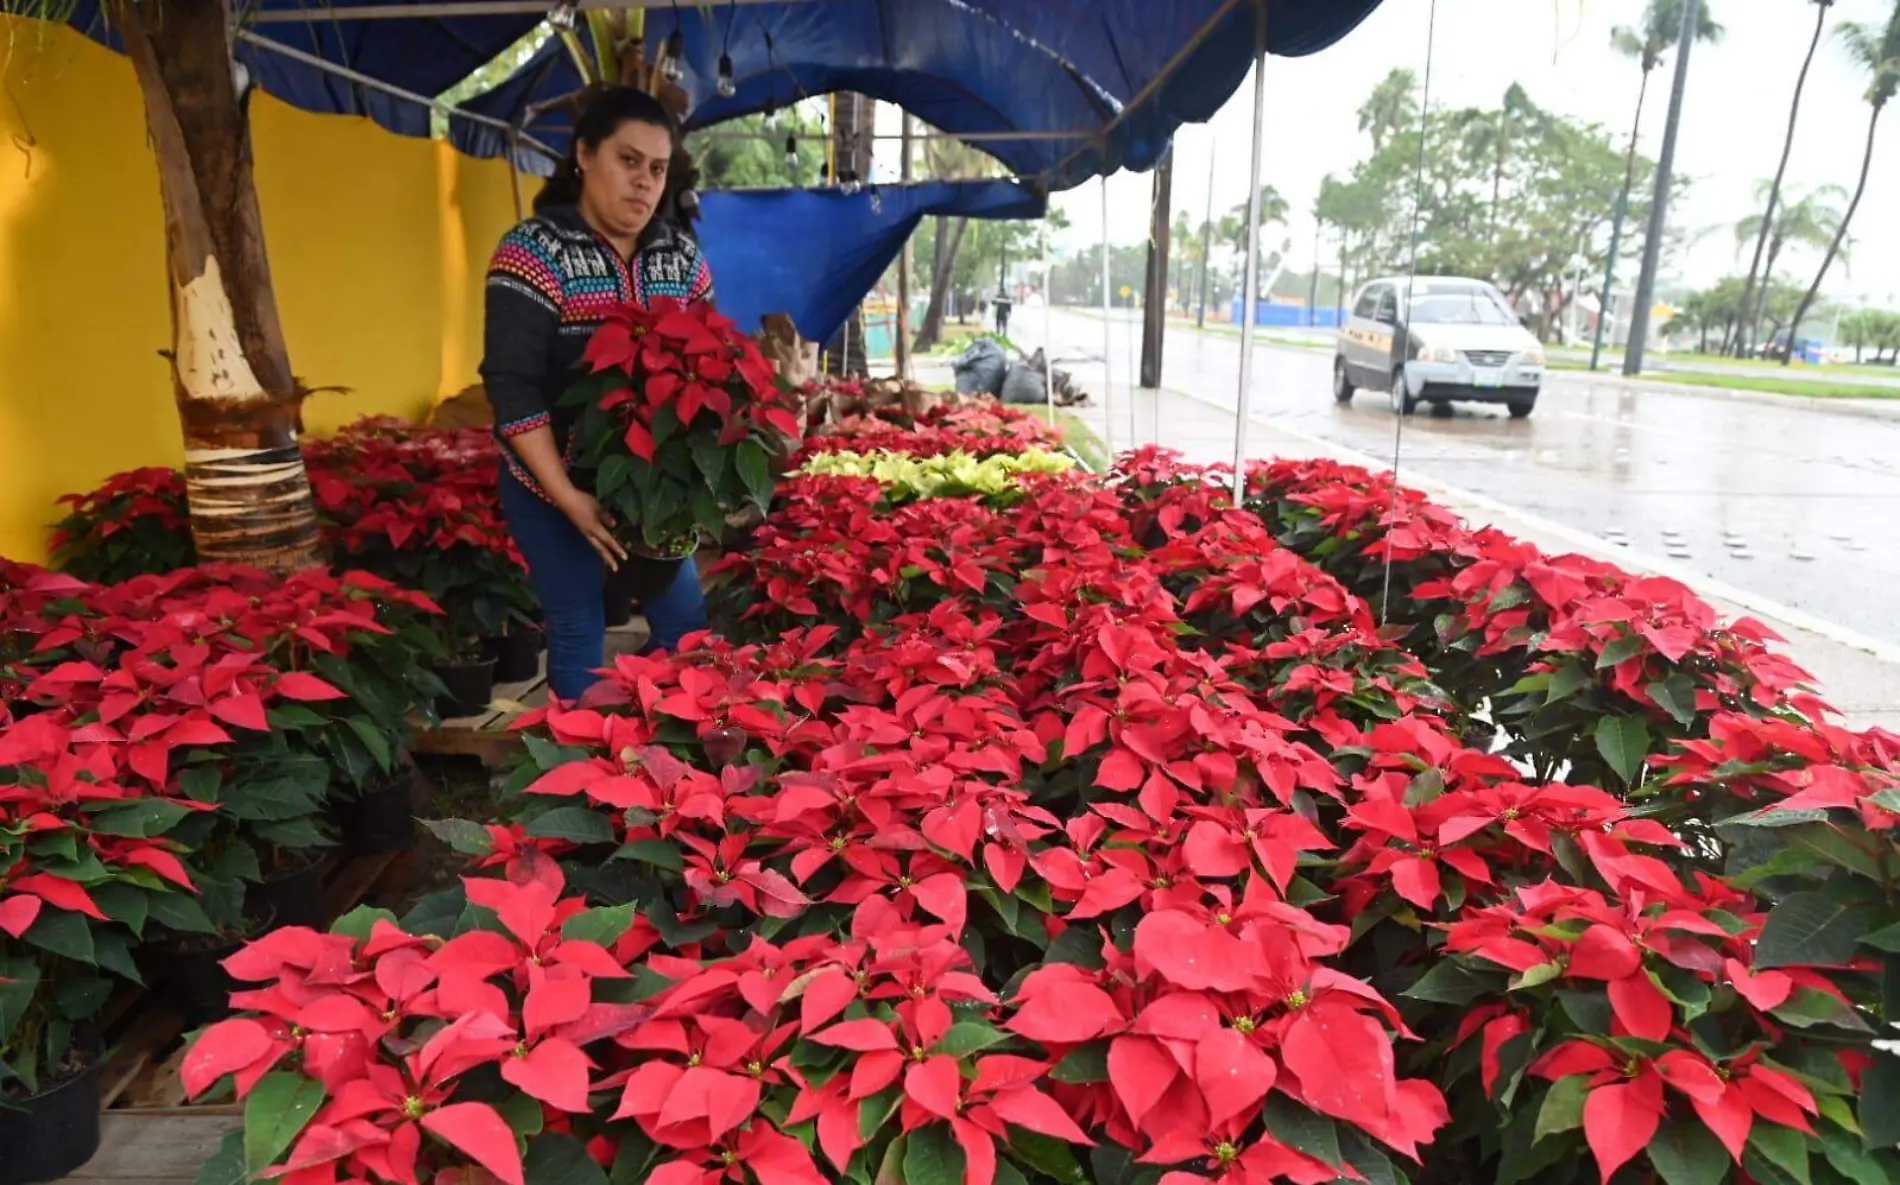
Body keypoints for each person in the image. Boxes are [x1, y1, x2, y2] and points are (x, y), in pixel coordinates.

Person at [480, 87, 714, 701]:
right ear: (584, 154)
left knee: (685, 627)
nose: (643, 183)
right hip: (548, 487)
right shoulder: (534, 253)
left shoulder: (681, 259)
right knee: (579, 627)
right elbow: (512, 385)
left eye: (657, 169)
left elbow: (710, 370)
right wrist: (570, 499)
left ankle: (653, 752)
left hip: (647, 490)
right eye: (628, 160)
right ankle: (587, 780)